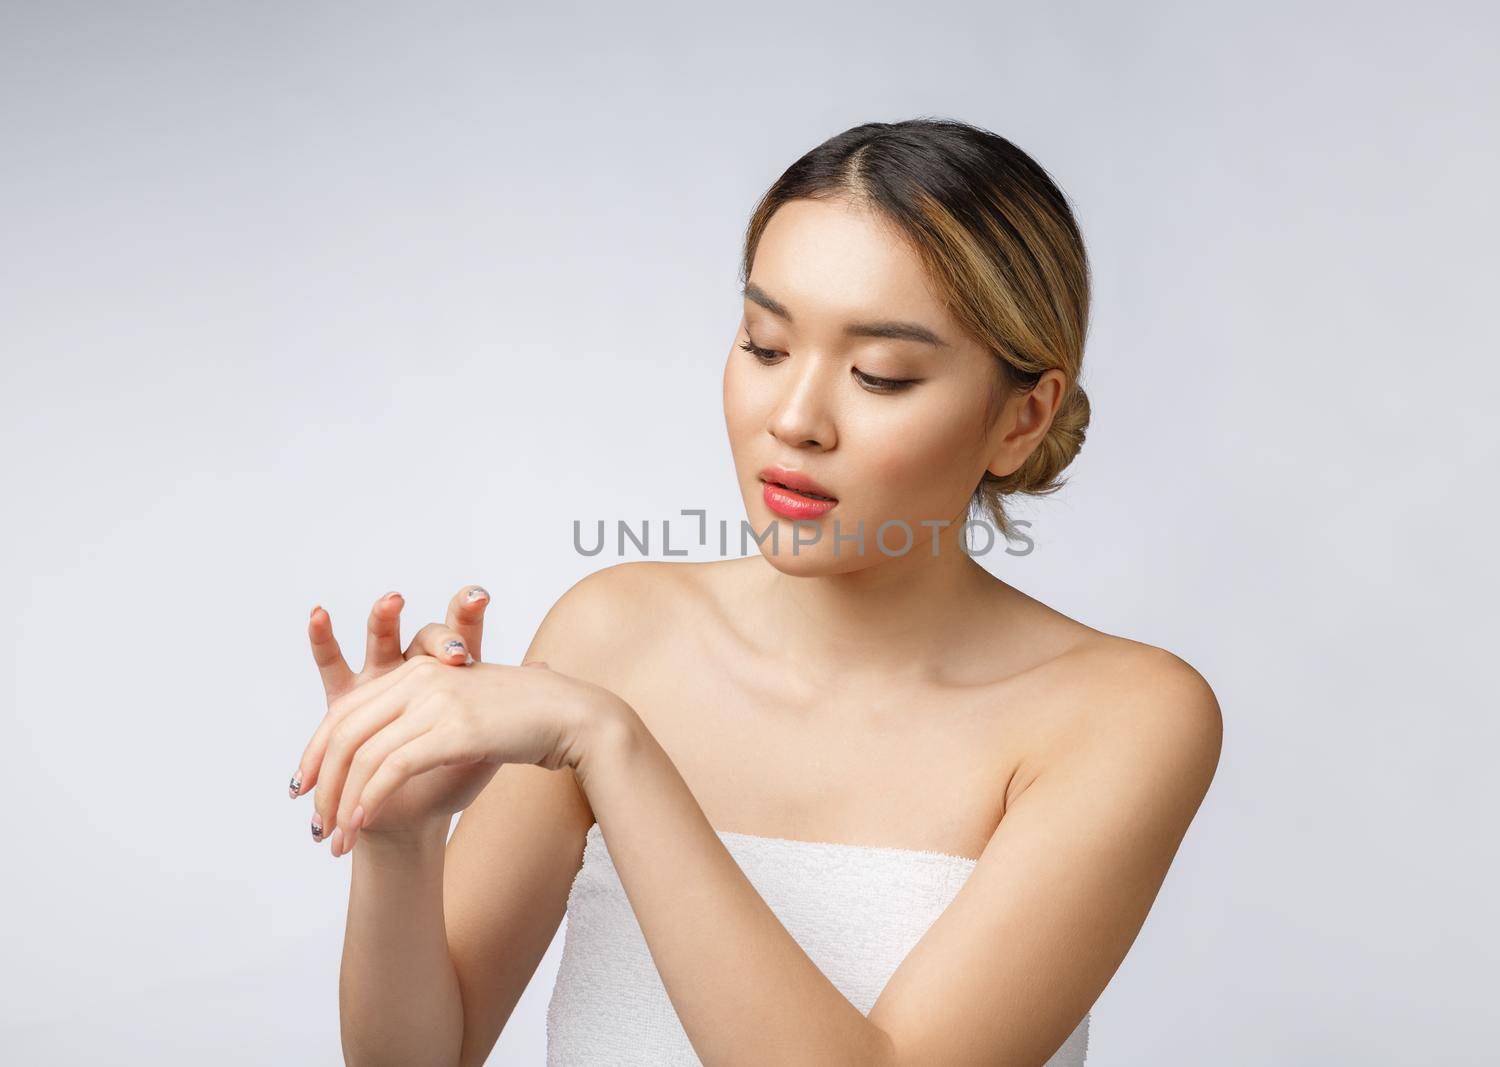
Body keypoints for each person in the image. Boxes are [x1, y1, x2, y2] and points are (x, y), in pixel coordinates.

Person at [291, 117, 1224, 1066]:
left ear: (1023, 418)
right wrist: (399, 843)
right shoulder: (615, 633)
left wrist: (615, 747)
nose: (793, 419)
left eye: (880, 374)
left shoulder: (1121, 715)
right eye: (765, 345)